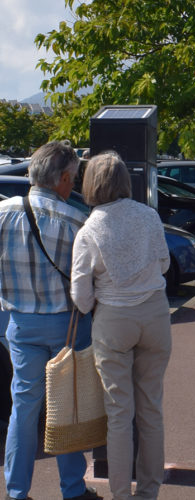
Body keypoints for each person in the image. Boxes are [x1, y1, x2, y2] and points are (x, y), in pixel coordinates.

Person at [0, 141, 101, 500]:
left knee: (23, 409)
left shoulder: (3, 212)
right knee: (67, 404)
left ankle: (16, 491)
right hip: (68, 326)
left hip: (19, 325)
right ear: (61, 178)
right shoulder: (77, 220)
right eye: (72, 178)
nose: (72, 185)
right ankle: (73, 490)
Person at [71, 152, 172, 500]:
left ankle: (120, 494)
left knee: (119, 414)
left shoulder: (89, 230)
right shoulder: (149, 216)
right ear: (125, 182)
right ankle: (149, 492)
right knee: (151, 410)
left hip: (113, 321)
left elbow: (81, 297)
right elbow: (163, 264)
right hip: (156, 316)